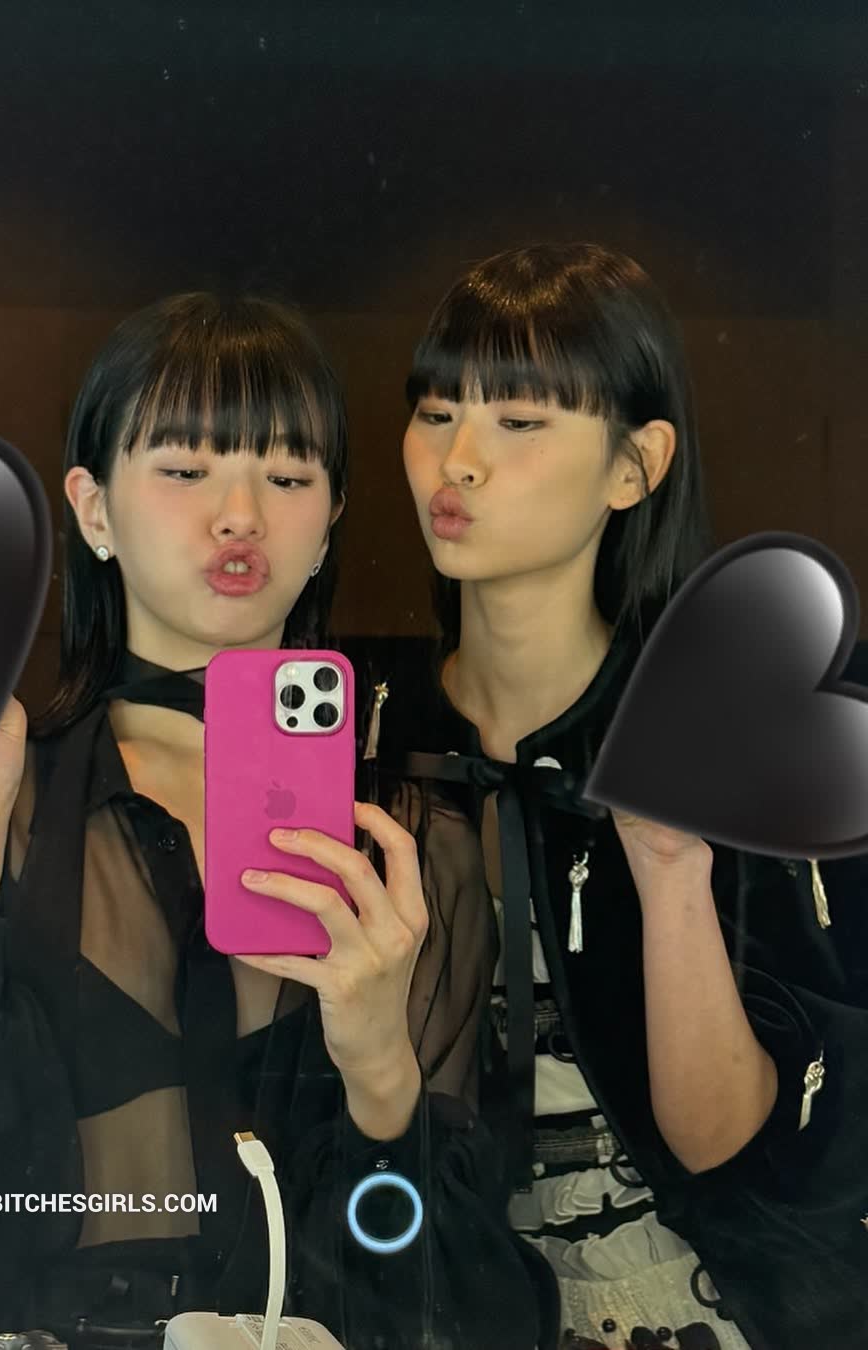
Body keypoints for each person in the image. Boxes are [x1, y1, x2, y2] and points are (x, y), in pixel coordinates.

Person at [0, 293, 548, 1350]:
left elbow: (436, 1294)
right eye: (185, 470)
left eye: (289, 478)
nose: (240, 515)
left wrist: (380, 1065)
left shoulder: (412, 847)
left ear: (329, 522)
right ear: (94, 512)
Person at [361, 243, 868, 1348]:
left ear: (635, 467)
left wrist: (673, 872)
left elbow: (727, 1145)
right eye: (437, 413)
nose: (458, 461)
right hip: (428, 1291)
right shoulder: (366, 728)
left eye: (519, 421)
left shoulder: (722, 727)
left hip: (688, 1295)